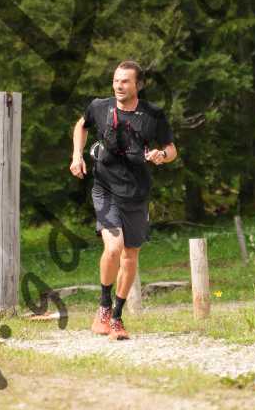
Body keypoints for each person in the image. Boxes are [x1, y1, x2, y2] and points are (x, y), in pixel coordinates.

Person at [70, 60, 177, 341]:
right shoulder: (99, 107)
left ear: (138, 85)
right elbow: (81, 126)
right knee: (114, 248)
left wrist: (161, 156)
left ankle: (117, 317)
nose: (119, 86)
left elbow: (171, 149)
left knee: (130, 256)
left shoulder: (153, 115)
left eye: (125, 81)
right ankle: (104, 307)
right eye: (116, 80)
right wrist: (77, 155)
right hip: (105, 189)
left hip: (137, 193)